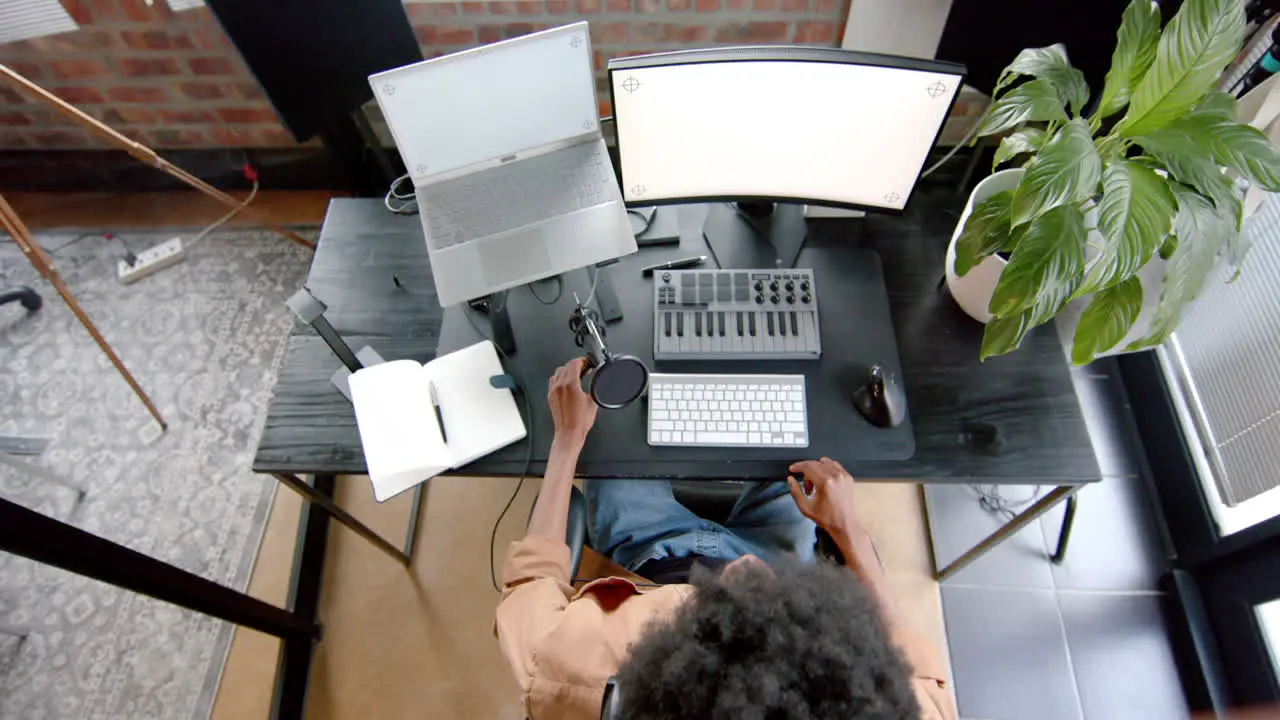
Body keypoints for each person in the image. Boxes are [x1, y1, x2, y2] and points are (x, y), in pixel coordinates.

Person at [495, 358, 957, 719]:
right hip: (785, 561)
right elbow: (906, 659)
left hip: (654, 558)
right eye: (773, 620)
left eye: (715, 625)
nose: (743, 569)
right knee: (803, 441)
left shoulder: (573, 673)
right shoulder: (893, 707)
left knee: (610, 443)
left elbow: (531, 587)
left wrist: (568, 440)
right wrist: (847, 531)